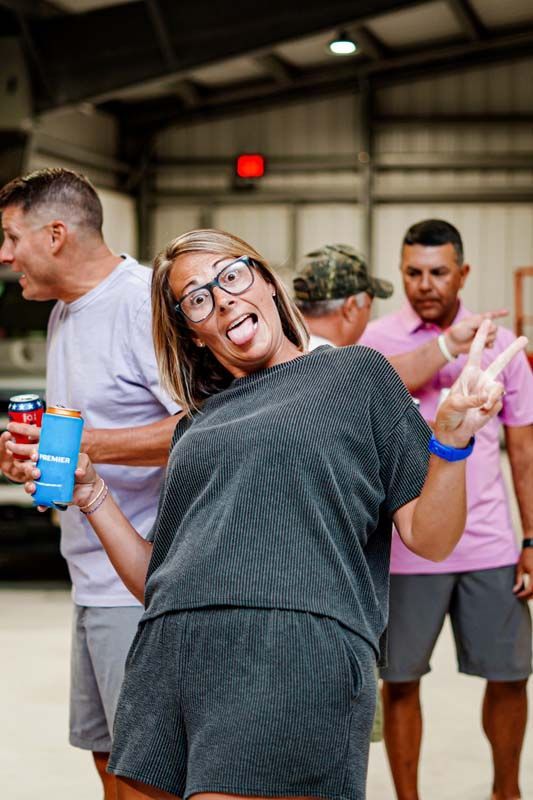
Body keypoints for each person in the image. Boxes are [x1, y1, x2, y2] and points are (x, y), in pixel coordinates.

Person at [21, 228, 526, 800]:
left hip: (288, 653)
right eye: (198, 298)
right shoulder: (195, 425)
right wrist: (92, 495)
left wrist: (451, 444)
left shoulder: (356, 375)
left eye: (231, 276)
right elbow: (159, 582)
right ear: (194, 332)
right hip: (167, 665)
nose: (224, 298)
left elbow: (429, 537)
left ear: (265, 280)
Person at [0, 168, 180, 798]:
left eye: (10, 237)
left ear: (54, 235)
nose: (3, 255)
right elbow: (77, 440)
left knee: (145, 771)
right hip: (88, 573)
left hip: (139, 582)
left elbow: (204, 429)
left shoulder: (141, 303)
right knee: (108, 759)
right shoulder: (65, 313)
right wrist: (32, 459)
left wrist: (82, 449)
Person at [359, 219, 533, 800]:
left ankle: (505, 792)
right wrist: (447, 348)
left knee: (510, 675)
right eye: (413, 272)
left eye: (438, 272)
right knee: (400, 680)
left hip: (488, 546)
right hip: (409, 548)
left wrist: (530, 540)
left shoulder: (502, 352)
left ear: (463, 273)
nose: (425, 284)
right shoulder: (378, 342)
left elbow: (524, 452)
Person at [294, 243, 507, 388]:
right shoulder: (341, 373)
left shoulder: (278, 353)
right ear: (350, 308)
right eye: (369, 304)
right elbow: (378, 376)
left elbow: (384, 373)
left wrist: (448, 343)